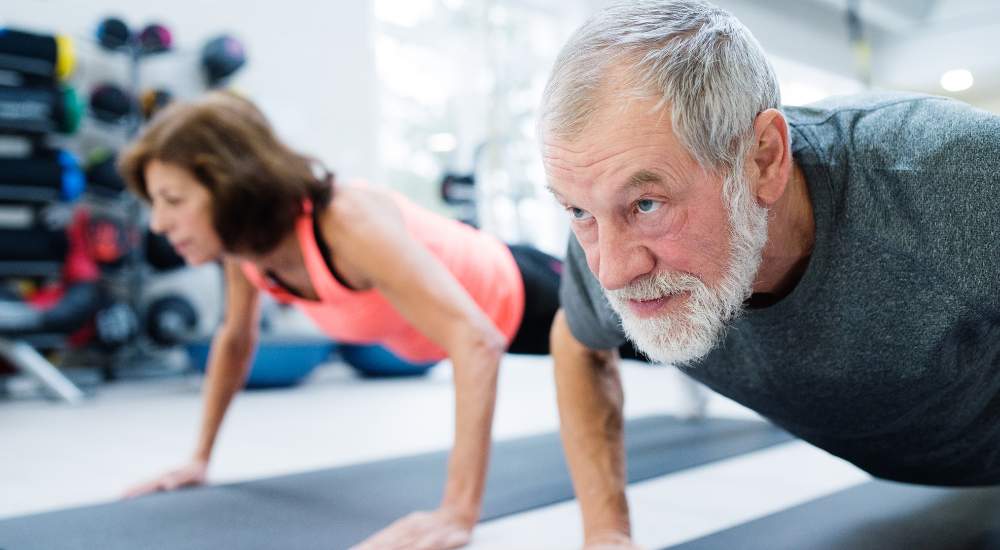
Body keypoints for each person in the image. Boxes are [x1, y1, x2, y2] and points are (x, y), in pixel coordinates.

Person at [539, 0, 1000, 547]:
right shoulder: (606, 232)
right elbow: (576, 343)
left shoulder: (952, 176)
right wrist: (605, 533)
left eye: (646, 204)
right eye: (578, 212)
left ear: (763, 159)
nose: (612, 272)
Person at [117, 91, 564, 550]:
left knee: (639, 345)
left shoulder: (345, 222)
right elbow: (235, 338)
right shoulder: (245, 248)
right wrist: (199, 458)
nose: (157, 224)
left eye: (172, 200)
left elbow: (475, 339)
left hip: (525, 291)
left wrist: (457, 511)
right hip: (480, 324)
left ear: (230, 186)